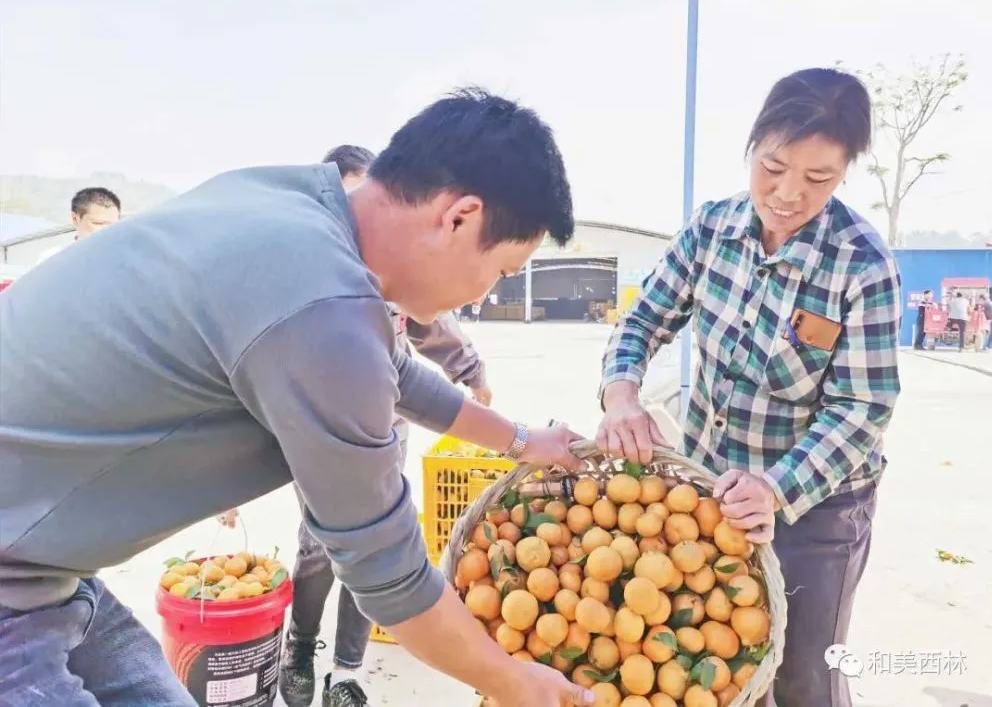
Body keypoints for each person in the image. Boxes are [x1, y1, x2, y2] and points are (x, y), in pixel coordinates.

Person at [0, 88, 595, 707]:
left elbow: (396, 375)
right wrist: (519, 683)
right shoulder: (325, 310)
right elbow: (390, 579)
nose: (478, 298)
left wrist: (523, 441)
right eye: (500, 272)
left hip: (46, 569)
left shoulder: (288, 201)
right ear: (459, 217)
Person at [596, 68, 902, 707]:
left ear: (845, 172)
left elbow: (862, 406)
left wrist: (776, 487)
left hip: (816, 509)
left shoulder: (862, 266)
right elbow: (644, 319)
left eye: (818, 179)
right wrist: (621, 391)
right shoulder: (713, 230)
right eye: (773, 166)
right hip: (712, 492)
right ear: (753, 147)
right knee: (725, 660)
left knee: (804, 678)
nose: (788, 194)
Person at [275, 144, 493, 707]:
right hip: (321, 432)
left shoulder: (393, 270)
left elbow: (428, 324)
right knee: (320, 545)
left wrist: (471, 374)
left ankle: (346, 671)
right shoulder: (312, 274)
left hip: (388, 428)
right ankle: (300, 650)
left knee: (375, 545)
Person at [35, 187, 122, 264]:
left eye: (112, 225)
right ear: (75, 219)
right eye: (97, 223)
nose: (106, 231)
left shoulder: (126, 260)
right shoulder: (52, 259)